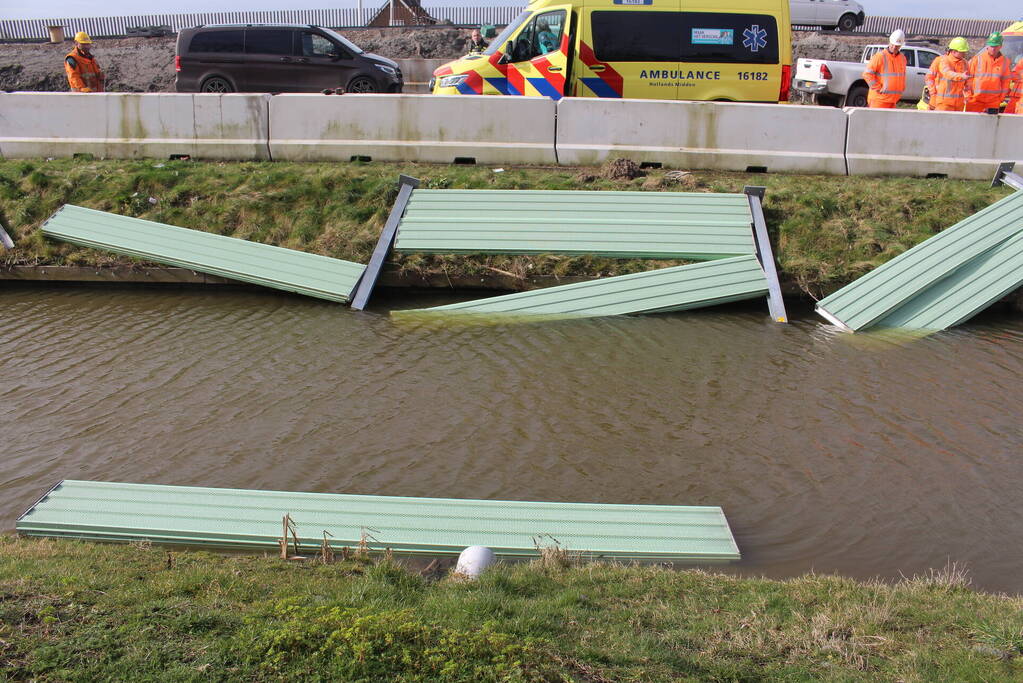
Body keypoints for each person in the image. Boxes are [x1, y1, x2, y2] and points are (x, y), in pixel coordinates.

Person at [965, 32, 1011, 114]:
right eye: (991, 46)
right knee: (972, 126)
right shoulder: (977, 59)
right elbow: (968, 79)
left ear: (1000, 46)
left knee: (990, 126)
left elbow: (1006, 82)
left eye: (996, 46)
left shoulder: (1005, 62)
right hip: (975, 101)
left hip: (993, 102)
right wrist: (969, 96)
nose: (993, 49)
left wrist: (1000, 98)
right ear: (987, 45)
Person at [863, 30, 906, 109]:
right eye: (893, 45)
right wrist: (878, 88)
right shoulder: (880, 56)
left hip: (893, 100)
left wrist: (902, 88)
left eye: (897, 46)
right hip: (879, 100)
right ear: (890, 42)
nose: (894, 47)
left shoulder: (902, 58)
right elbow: (867, 74)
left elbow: (902, 75)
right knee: (876, 121)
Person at [930, 37, 970, 112]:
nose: (964, 54)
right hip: (944, 103)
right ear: (954, 51)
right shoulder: (944, 60)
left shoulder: (965, 63)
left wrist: (968, 96)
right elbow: (947, 73)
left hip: (959, 104)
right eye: (962, 51)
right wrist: (933, 93)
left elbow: (968, 83)